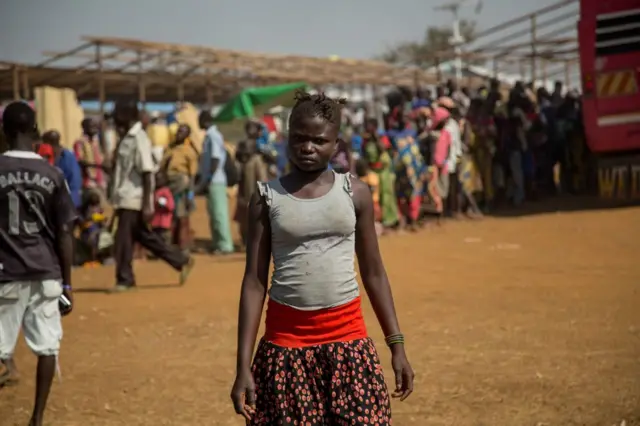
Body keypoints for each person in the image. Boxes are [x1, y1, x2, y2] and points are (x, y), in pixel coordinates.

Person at [231, 91, 414, 425]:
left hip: (349, 345)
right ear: (288, 138)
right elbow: (254, 283)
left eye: (319, 140)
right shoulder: (266, 198)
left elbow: (373, 273)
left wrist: (396, 344)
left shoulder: (355, 193)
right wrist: (243, 367)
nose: (308, 147)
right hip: (285, 349)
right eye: (299, 138)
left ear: (336, 143)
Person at [0, 102, 76, 426]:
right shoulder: (53, 174)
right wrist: (68, 284)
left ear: (4, 131)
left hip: (6, 272)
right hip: (46, 271)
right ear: (35, 132)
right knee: (47, 347)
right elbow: (64, 233)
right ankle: (37, 417)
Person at [109, 100, 194, 292]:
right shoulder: (126, 138)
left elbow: (148, 173)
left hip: (134, 197)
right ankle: (181, 260)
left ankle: (125, 279)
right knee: (145, 236)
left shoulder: (139, 138)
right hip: (124, 197)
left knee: (123, 240)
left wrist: (148, 204)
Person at [198, 111, 234, 254]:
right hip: (211, 180)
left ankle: (225, 245)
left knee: (219, 214)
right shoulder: (208, 137)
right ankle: (217, 243)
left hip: (216, 180)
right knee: (213, 213)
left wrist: (208, 178)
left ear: (206, 121)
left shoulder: (213, 136)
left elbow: (215, 159)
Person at [159, 124, 199, 252]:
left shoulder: (189, 151)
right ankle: (168, 244)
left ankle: (183, 245)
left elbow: (192, 175)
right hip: (167, 183)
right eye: (178, 131)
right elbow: (162, 166)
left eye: (182, 132)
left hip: (181, 183)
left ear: (187, 136)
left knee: (180, 213)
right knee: (167, 213)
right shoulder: (170, 148)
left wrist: (190, 193)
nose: (179, 134)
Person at [362, 118, 399, 229]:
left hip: (383, 171)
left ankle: (390, 220)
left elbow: (383, 149)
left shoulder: (382, 138)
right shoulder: (365, 140)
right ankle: (378, 219)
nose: (368, 128)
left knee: (387, 194)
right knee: (374, 197)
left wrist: (376, 138)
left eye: (370, 126)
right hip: (372, 171)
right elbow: (364, 155)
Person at [42, 130, 82, 209]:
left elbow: (74, 182)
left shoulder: (68, 157)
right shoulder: (45, 157)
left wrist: (70, 205)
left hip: (66, 203)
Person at [73, 118, 107, 200]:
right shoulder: (80, 142)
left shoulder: (97, 142)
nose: (94, 129)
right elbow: (80, 161)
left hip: (100, 182)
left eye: (95, 126)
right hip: (88, 183)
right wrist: (97, 166)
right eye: (92, 126)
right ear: (84, 127)